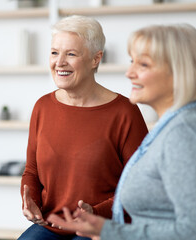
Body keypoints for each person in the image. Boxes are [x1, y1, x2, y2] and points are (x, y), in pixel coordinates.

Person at [47, 23, 196, 240]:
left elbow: (191, 230)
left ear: (177, 72)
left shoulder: (181, 134)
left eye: (143, 64)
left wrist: (108, 231)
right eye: (131, 61)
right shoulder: (169, 128)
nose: (129, 73)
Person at [18, 15, 148, 240]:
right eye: (54, 52)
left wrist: (96, 212)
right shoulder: (43, 107)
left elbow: (141, 187)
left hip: (103, 226)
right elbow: (32, 171)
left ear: (96, 59)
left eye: (71, 54)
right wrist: (31, 202)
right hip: (51, 224)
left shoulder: (125, 112)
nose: (59, 62)